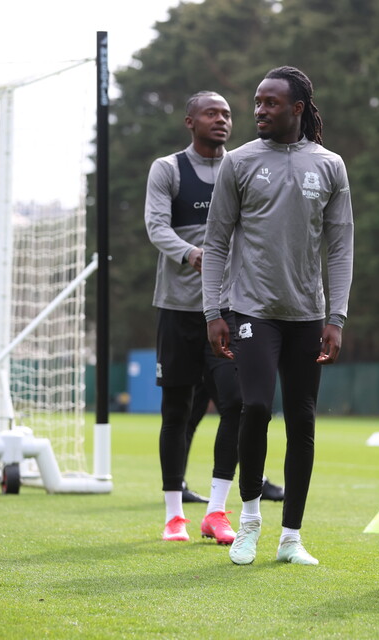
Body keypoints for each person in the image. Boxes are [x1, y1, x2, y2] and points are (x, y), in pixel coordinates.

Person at [202, 66, 354, 567]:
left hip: (308, 315)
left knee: (303, 421)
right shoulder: (239, 163)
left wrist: (337, 317)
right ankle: (248, 522)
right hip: (250, 310)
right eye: (257, 101)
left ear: (297, 108)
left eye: (271, 103)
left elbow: (340, 249)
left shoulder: (329, 165)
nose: (260, 110)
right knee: (256, 408)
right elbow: (217, 241)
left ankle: (291, 537)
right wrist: (214, 311)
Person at [145, 90, 240, 545]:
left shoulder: (239, 167)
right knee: (176, 411)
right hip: (179, 310)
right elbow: (156, 226)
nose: (221, 120)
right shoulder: (168, 169)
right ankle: (173, 516)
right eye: (211, 113)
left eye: (226, 113)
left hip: (228, 309)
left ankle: (218, 511)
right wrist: (191, 254)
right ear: (190, 121)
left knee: (237, 404)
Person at [182, 379, 286, 504]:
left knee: (232, 415)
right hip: (206, 363)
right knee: (234, 415)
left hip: (208, 363)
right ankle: (177, 487)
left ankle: (177, 486)